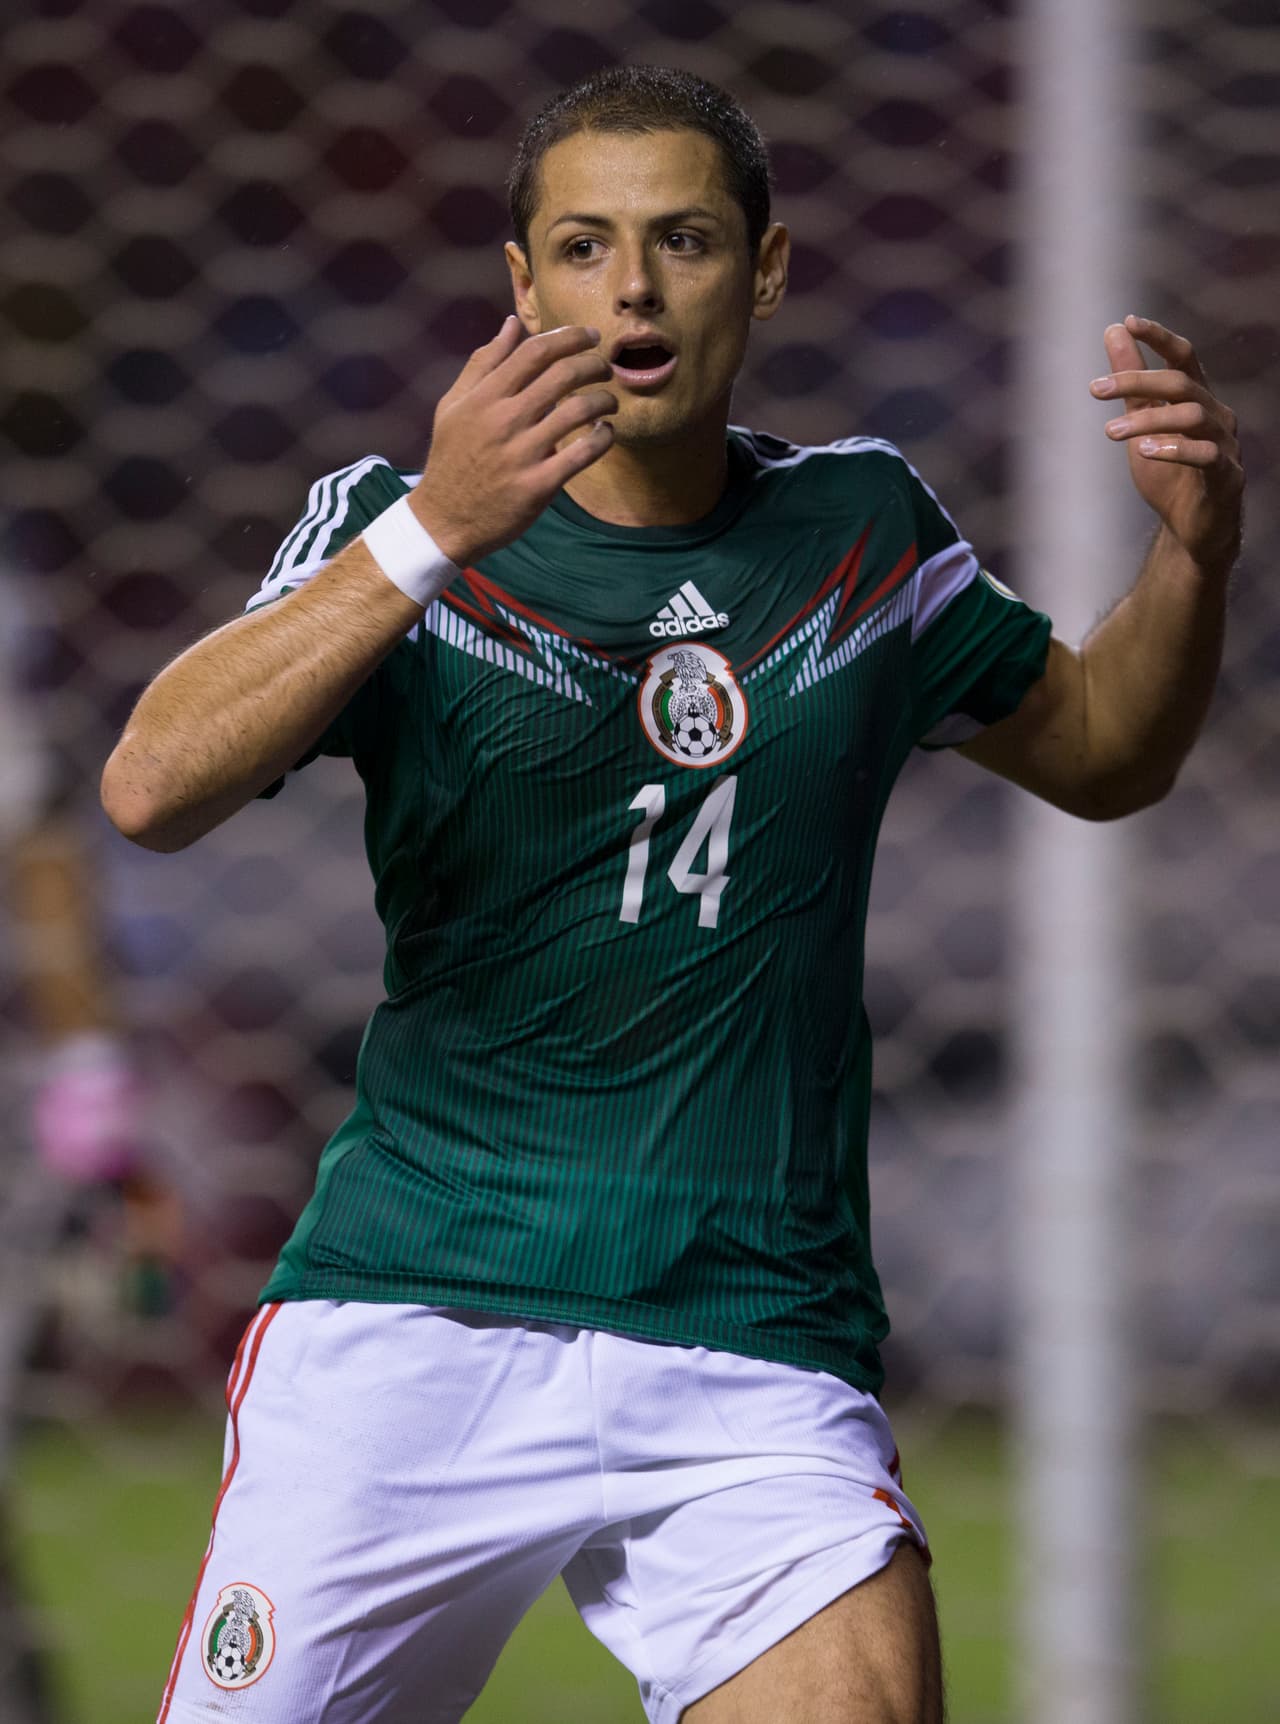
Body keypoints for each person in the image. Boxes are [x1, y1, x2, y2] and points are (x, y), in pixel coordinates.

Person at [102, 64, 1242, 1724]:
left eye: (684, 241)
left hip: (748, 1334)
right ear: (521, 288)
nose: (630, 287)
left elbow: (1103, 749)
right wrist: (436, 527)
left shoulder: (858, 530)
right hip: (416, 1309)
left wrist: (1195, 561)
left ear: (763, 272)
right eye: (582, 246)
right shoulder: (394, 534)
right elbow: (149, 785)